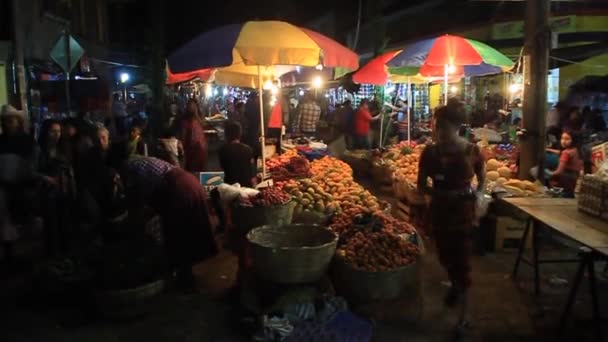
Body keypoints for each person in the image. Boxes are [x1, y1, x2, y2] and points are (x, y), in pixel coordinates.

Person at [417, 101, 485, 335]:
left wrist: (477, 193)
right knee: (444, 257)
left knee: (463, 262)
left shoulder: (472, 151)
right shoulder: (429, 152)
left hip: (464, 214)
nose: (438, 131)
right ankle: (455, 284)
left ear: (457, 126)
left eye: (443, 127)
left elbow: (482, 177)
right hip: (439, 213)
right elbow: (420, 185)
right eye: (437, 126)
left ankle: (463, 318)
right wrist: (440, 193)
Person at [121, 156, 218, 290]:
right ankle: (184, 275)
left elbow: (141, 199)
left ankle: (185, 280)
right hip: (190, 184)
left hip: (180, 189)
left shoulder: (133, 169)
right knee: (189, 231)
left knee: (178, 234)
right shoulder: (140, 162)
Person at [37, 120, 77, 256]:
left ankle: (65, 251)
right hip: (48, 191)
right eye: (53, 131)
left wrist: (71, 186)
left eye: (58, 131)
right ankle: (54, 252)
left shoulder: (63, 148)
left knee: (64, 220)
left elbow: (70, 168)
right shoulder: (39, 150)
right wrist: (46, 178)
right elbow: (32, 170)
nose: (56, 134)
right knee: (52, 223)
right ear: (46, 132)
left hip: (64, 189)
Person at [534, 130, 583, 198]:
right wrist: (548, 150)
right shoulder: (575, 150)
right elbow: (559, 152)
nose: (563, 141)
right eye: (562, 138)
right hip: (572, 182)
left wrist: (548, 172)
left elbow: (558, 172)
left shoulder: (566, 153)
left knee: (534, 170)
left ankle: (548, 189)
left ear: (573, 140)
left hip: (564, 182)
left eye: (567, 139)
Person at [219, 121, 255, 188]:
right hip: (246, 187)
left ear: (226, 134)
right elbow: (251, 171)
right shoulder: (248, 149)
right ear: (240, 134)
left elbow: (223, 167)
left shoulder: (223, 150)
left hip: (230, 186)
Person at [176, 99, 208, 173]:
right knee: (191, 168)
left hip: (201, 148)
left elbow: (203, 124)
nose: (191, 107)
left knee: (201, 169)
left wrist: (196, 114)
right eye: (190, 105)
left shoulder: (199, 117)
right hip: (190, 148)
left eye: (194, 105)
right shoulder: (184, 120)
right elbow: (183, 135)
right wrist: (182, 147)